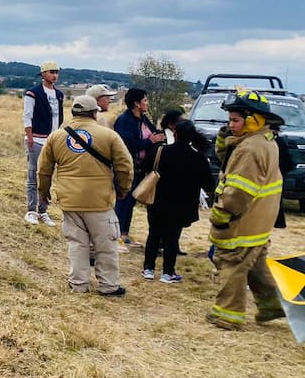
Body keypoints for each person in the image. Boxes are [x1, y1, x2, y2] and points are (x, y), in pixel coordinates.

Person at [206, 90, 286, 330]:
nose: (230, 125)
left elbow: (239, 191)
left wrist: (220, 214)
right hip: (260, 220)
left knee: (231, 263)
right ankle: (272, 306)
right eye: (229, 120)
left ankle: (227, 316)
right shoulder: (264, 140)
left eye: (235, 120)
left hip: (243, 221)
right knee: (255, 263)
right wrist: (226, 138)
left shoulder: (249, 149)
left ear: (254, 120)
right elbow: (230, 160)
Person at [38, 95, 133, 295]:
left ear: (73, 112)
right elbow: (125, 166)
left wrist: (43, 192)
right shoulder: (109, 136)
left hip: (69, 199)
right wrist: (123, 189)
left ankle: (79, 284)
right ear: (94, 113)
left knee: (77, 243)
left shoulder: (56, 136)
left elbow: (44, 170)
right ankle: (108, 286)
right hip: (99, 200)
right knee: (106, 244)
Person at [141, 120, 214, 283]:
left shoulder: (160, 151)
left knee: (154, 234)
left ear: (175, 133)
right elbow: (209, 184)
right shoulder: (198, 158)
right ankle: (168, 272)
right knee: (172, 237)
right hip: (183, 203)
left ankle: (148, 269)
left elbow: (145, 166)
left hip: (157, 200)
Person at [113, 88, 167, 248]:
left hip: (141, 168)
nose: (147, 103)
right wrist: (150, 142)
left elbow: (154, 133)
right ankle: (116, 235)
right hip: (127, 168)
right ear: (136, 103)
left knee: (131, 202)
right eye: (145, 100)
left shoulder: (142, 118)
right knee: (123, 201)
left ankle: (124, 234)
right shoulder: (124, 121)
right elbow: (126, 144)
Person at [23, 61, 63, 227]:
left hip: (52, 140)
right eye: (51, 72)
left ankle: (43, 210)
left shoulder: (59, 94)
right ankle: (31, 210)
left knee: (47, 176)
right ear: (43, 74)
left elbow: (59, 116)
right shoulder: (33, 93)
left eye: (56, 72)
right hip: (37, 139)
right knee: (33, 175)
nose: (54, 75)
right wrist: (30, 138)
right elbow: (27, 116)